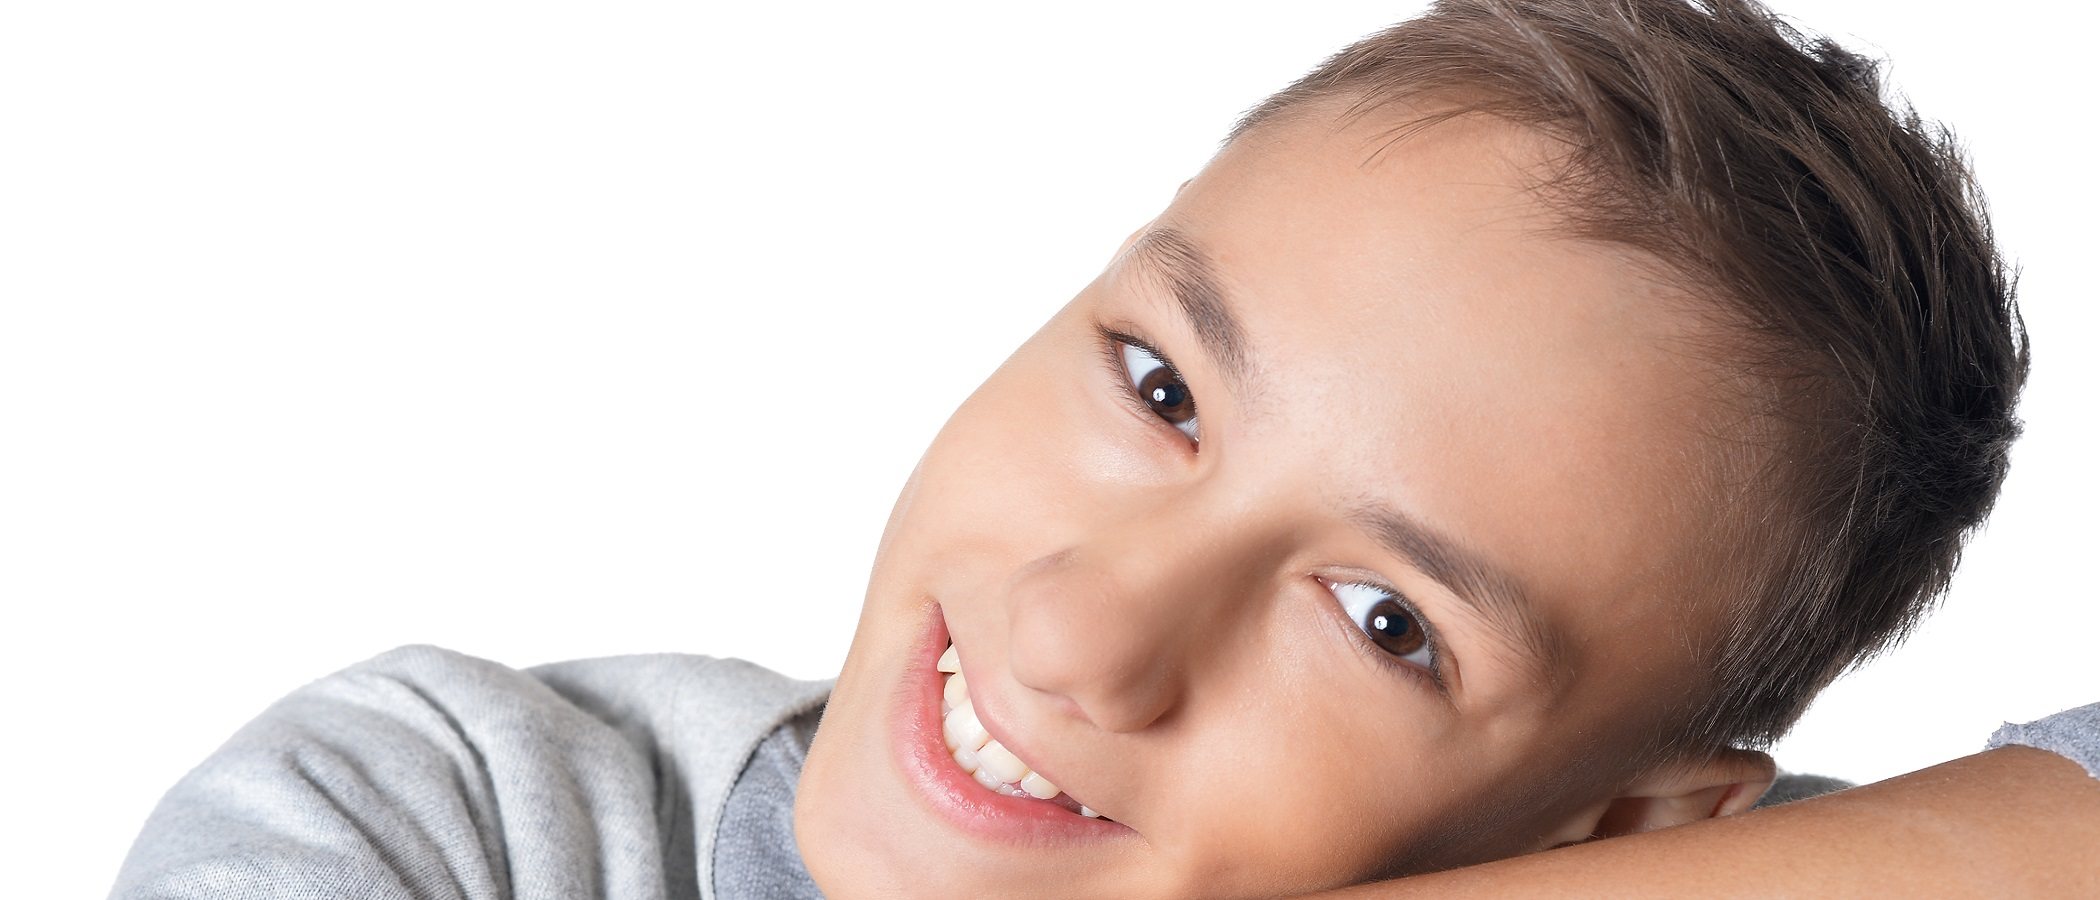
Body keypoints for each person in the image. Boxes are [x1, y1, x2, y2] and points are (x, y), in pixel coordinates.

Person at [109, 0, 2095, 897]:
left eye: (1386, 623)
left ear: (1632, 841)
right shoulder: (449, 814)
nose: (1079, 634)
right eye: (1160, 389)